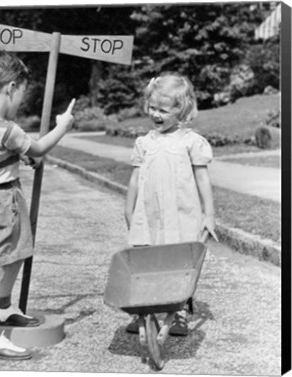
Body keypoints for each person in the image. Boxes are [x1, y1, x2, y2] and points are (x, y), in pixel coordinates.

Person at [0, 51, 75, 360]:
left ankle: (2, 309)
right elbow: (37, 149)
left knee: (16, 254)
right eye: (20, 96)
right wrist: (63, 126)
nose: (19, 103)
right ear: (10, 88)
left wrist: (21, 156)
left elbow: (5, 154)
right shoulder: (7, 130)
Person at [124, 73, 218, 336]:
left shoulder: (190, 142)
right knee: (147, 262)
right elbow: (134, 180)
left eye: (163, 110)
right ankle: (144, 312)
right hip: (150, 214)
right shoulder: (144, 143)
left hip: (181, 214)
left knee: (178, 264)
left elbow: (202, 179)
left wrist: (208, 215)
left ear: (181, 109)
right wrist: (128, 208)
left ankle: (177, 313)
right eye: (152, 108)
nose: (156, 114)